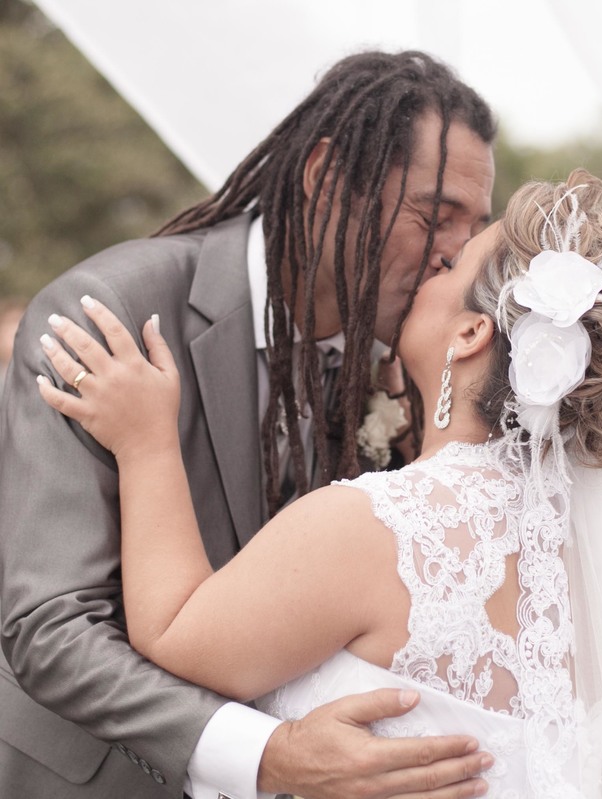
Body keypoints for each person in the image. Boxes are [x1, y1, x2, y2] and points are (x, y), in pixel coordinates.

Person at [36, 171, 602, 797]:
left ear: (471, 332)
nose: (431, 263)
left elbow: (173, 630)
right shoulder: (588, 562)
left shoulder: (379, 527)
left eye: (452, 265)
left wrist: (148, 440)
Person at [0, 51, 497, 799]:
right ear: (326, 177)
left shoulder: (410, 366)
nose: (454, 255)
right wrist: (267, 753)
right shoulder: (113, 314)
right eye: (434, 217)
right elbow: (51, 626)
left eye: (473, 227)